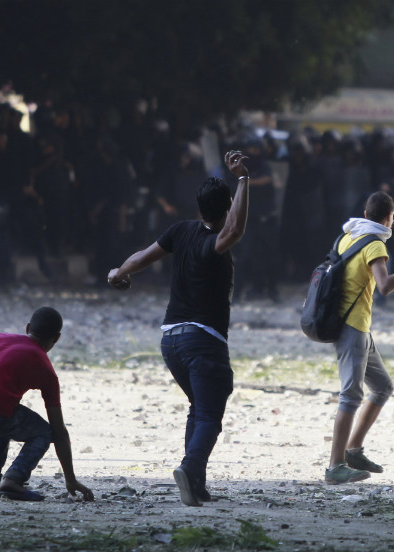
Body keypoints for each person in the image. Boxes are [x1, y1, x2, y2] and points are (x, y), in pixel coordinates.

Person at [106, 150, 250, 506]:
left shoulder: (181, 230)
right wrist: (244, 179)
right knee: (210, 416)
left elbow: (140, 257)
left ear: (199, 208)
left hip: (171, 340)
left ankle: (196, 486)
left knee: (197, 408)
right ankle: (189, 468)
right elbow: (234, 229)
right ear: (227, 206)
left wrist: (118, 273)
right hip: (204, 342)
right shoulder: (214, 242)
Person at [324, 191, 394, 484]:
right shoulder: (375, 244)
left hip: (353, 325)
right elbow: (385, 286)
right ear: (390, 218)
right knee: (351, 395)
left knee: (382, 387)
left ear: (366, 214)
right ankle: (334, 466)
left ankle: (353, 450)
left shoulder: (348, 235)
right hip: (351, 327)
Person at [0, 307, 94, 502]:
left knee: (4, 414)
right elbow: (58, 430)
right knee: (43, 431)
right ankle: (13, 480)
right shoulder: (45, 369)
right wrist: (71, 479)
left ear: (28, 327)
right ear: (57, 338)